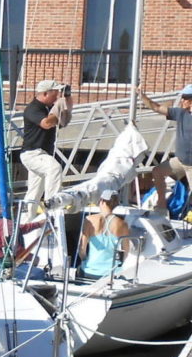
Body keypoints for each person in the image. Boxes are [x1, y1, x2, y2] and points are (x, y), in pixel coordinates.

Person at [20, 79, 73, 222]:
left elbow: (67, 110)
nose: (57, 96)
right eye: (55, 93)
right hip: (33, 154)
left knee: (34, 191)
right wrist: (57, 110)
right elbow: (46, 123)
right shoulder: (33, 109)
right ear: (45, 94)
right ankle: (52, 206)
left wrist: (67, 96)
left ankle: (25, 223)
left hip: (42, 154)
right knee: (54, 168)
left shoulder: (48, 108)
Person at [137, 84, 192, 215]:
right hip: (180, 161)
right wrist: (142, 96)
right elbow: (156, 107)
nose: (182, 100)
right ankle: (161, 205)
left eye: (184, 98)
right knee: (157, 172)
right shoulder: (180, 113)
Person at [79, 192, 132, 277]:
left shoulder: (89, 220)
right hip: (112, 273)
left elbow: (82, 249)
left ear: (102, 201)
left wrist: (85, 261)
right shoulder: (122, 224)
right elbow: (126, 251)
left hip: (90, 270)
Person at [0, 215, 46, 279]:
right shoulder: (6, 225)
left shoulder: (0, 223)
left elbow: (20, 228)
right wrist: (33, 258)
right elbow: (12, 249)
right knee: (39, 273)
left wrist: (38, 224)